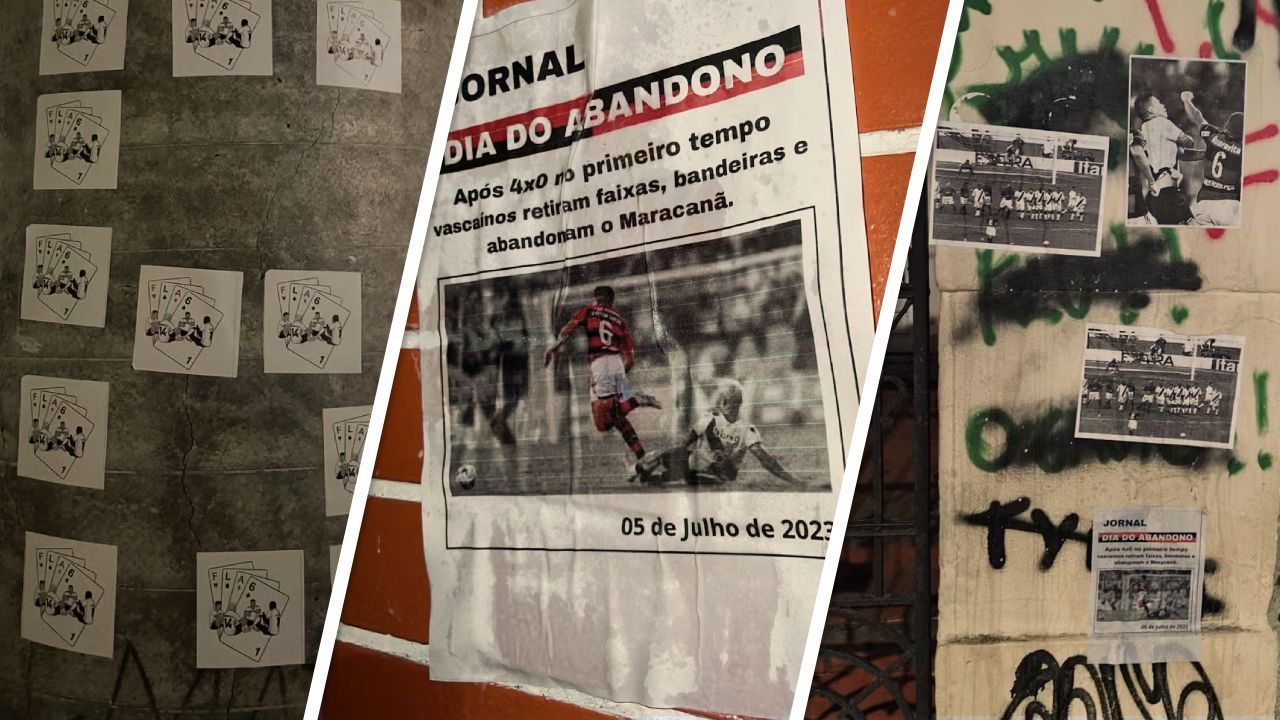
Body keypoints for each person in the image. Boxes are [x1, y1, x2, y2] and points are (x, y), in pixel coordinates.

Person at [544, 285, 661, 461]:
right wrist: (619, 374)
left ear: (596, 298)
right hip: (616, 363)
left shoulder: (588, 311)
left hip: (600, 364)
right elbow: (630, 358)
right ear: (612, 300)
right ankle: (641, 454)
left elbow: (568, 328)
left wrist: (553, 348)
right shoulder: (620, 321)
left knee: (603, 424)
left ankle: (635, 400)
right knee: (616, 416)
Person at [633, 380, 801, 486]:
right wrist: (792, 480)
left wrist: (792, 480)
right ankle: (645, 471)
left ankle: (651, 474)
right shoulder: (720, 422)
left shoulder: (744, 429)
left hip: (715, 473)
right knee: (669, 460)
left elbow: (766, 460)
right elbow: (767, 460)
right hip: (700, 468)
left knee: (669, 469)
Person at [1181, 91, 1243, 227]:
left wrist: (1186, 101)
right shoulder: (1244, 150)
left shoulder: (1212, 137)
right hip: (1231, 209)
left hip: (1206, 206)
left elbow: (1197, 118)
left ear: (1227, 126)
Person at [1134, 93, 1196, 224]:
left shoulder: (1143, 129)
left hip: (1153, 196)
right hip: (1170, 195)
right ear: (1151, 109)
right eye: (1159, 103)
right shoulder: (1163, 123)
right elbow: (1189, 142)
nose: (1164, 106)